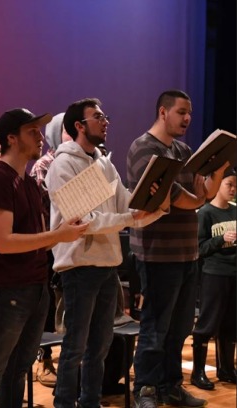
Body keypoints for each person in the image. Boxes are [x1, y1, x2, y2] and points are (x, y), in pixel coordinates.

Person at [0, 108, 88, 407]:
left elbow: (39, 241)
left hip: (34, 288)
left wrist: (64, 231)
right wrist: (58, 235)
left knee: (18, 370)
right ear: (12, 138)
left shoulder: (29, 182)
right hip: (6, 291)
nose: (41, 137)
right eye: (32, 131)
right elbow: (4, 243)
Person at [46, 98, 163, 408]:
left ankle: (90, 402)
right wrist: (130, 218)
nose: (106, 121)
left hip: (107, 266)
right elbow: (82, 223)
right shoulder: (62, 164)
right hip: (79, 267)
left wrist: (154, 206)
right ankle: (64, 403)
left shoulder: (103, 163)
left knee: (100, 346)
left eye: (105, 116)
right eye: (98, 117)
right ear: (79, 126)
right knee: (75, 346)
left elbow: (126, 205)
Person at [126, 90, 229, 408]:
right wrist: (198, 198)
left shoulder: (184, 149)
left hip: (186, 252)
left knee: (181, 326)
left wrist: (220, 170)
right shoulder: (144, 148)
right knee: (156, 325)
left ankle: (170, 386)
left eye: (190, 113)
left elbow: (203, 192)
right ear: (162, 112)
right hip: (157, 252)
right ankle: (145, 389)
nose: (187, 118)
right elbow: (174, 196)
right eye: (181, 112)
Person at [29, 112, 71, 387]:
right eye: (68, 131)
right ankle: (44, 360)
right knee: (46, 309)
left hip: (72, 244)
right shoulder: (44, 166)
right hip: (49, 245)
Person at [191, 168, 236, 390]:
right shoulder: (205, 213)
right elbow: (199, 248)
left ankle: (227, 369)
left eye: (236, 185)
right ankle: (197, 372)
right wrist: (220, 239)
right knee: (208, 322)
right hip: (214, 273)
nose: (233, 189)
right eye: (229, 184)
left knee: (231, 324)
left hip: (234, 274)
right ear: (218, 184)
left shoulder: (235, 211)